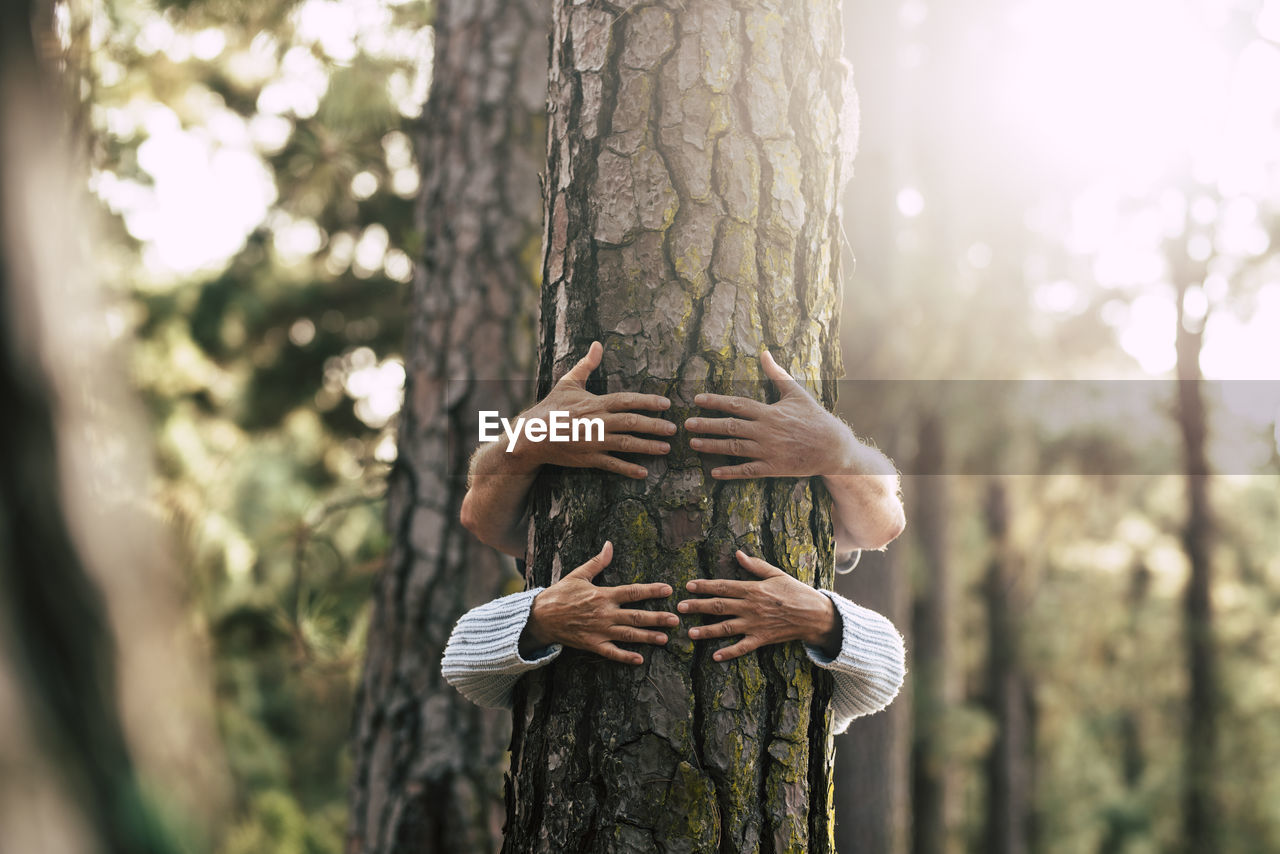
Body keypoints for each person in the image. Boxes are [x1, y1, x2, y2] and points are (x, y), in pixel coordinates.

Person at [443, 343, 907, 732]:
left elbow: (886, 524)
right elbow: (463, 653)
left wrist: (839, 453)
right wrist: (530, 438)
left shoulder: (825, 535)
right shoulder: (544, 536)